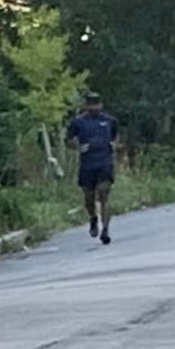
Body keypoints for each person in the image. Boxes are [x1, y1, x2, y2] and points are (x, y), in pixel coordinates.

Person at [66, 92, 119, 244]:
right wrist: (78, 146)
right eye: (90, 104)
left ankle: (106, 229)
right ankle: (93, 218)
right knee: (89, 198)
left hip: (104, 163)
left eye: (96, 104)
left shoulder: (109, 121)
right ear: (86, 105)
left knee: (104, 193)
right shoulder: (78, 122)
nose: (93, 107)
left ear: (101, 105)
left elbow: (116, 136)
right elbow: (68, 140)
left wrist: (114, 144)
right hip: (87, 165)